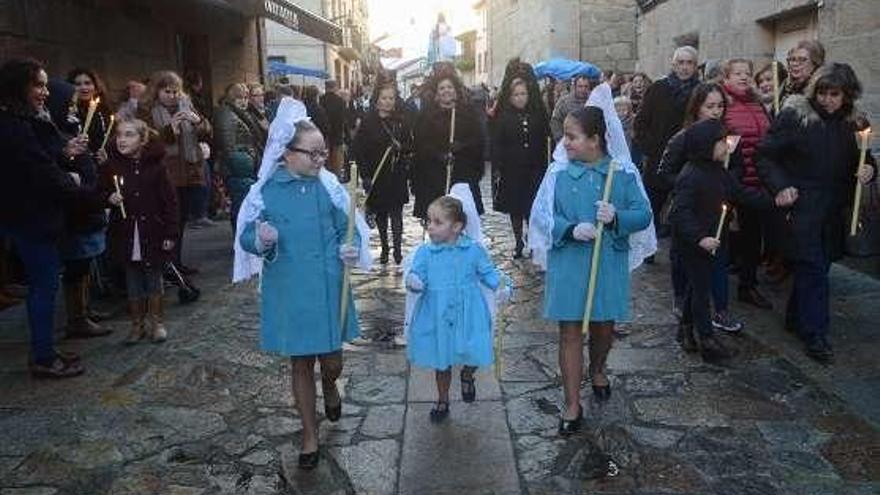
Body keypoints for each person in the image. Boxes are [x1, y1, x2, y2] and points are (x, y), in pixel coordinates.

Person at [234, 98, 371, 470]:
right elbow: (246, 235)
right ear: (287, 154)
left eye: (323, 152)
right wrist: (260, 238)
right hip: (290, 289)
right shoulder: (265, 191)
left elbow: (350, 227)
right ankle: (309, 436)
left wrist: (350, 248)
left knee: (331, 361)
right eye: (313, 153)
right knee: (299, 364)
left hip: (328, 286)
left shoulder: (327, 187)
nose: (320, 159)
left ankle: (330, 383)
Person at [530, 89, 653, 435]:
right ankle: (571, 403)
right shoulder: (557, 174)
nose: (564, 143)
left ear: (595, 140)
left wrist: (616, 218)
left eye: (572, 137)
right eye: (565, 136)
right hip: (569, 262)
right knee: (569, 331)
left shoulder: (621, 173)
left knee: (602, 327)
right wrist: (569, 228)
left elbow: (643, 214)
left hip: (606, 264)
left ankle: (598, 367)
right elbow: (541, 216)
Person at [756, 63, 875, 364]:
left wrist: (869, 170)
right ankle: (816, 333)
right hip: (804, 205)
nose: (827, 100)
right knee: (812, 267)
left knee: (819, 267)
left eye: (834, 94)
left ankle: (796, 317)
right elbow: (766, 155)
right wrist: (781, 186)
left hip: (836, 208)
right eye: (822, 93)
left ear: (847, 95)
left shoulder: (854, 122)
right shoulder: (795, 117)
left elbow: (866, 157)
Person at [0, 58, 88, 378]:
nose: (44, 91)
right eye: (38, 85)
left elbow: (41, 157)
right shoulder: (13, 125)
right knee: (44, 284)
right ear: (18, 86)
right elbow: (37, 170)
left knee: (45, 283)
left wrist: (64, 153)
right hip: (30, 217)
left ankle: (45, 348)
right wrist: (74, 182)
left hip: (33, 215)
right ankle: (43, 356)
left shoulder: (22, 120)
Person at [670, 119, 772, 362]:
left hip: (713, 240)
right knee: (702, 291)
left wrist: (773, 201)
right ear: (705, 145)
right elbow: (680, 213)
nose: (727, 147)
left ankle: (685, 330)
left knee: (698, 286)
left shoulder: (718, 171)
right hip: (694, 244)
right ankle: (706, 339)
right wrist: (700, 237)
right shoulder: (690, 175)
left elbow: (739, 193)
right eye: (721, 142)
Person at [405, 194, 509, 422]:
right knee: (441, 361)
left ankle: (467, 374)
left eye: (437, 222)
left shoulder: (473, 250)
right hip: (437, 313)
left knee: (474, 350)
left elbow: (488, 272)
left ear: (457, 226)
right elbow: (416, 274)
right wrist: (414, 281)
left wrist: (500, 285)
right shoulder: (425, 252)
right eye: (428, 221)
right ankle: (442, 400)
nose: (430, 227)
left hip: (469, 312)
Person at [655, 83, 744, 332]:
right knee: (686, 259)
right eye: (710, 106)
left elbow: (738, 167)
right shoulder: (684, 138)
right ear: (697, 108)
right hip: (691, 211)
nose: (716, 111)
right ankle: (683, 300)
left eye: (720, 106)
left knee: (719, 257)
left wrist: (727, 182)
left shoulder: (727, 138)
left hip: (719, 211)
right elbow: (664, 173)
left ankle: (721, 309)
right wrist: (692, 184)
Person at [101, 118, 178, 344]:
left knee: (153, 276)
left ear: (142, 140)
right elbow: (99, 191)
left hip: (152, 231)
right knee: (132, 279)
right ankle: (137, 324)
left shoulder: (156, 168)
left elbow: (170, 202)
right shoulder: (111, 166)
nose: (122, 139)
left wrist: (170, 233)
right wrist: (109, 198)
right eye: (119, 135)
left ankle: (157, 322)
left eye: (129, 135)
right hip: (125, 233)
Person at [45, 79, 110, 339]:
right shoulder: (54, 135)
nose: (74, 109)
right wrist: (71, 157)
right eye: (69, 104)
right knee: (76, 264)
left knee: (84, 263)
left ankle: (84, 309)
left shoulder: (71, 129)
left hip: (86, 204)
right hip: (75, 210)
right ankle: (77, 317)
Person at [140, 70, 210, 275]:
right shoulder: (147, 111)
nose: (172, 96)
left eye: (175, 91)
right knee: (167, 222)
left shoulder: (187, 105)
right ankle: (165, 265)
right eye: (167, 92)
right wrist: (171, 129)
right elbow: (147, 142)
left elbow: (207, 131)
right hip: (164, 173)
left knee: (180, 221)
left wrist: (197, 121)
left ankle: (176, 263)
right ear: (157, 92)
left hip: (187, 172)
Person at [721, 58, 773, 310]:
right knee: (722, 233)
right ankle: (715, 286)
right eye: (737, 73)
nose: (743, 77)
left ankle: (748, 285)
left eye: (747, 73)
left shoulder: (758, 103)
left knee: (753, 236)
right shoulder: (723, 104)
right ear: (726, 78)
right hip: (731, 180)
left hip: (757, 181)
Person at [634, 45, 700, 242]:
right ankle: (648, 245)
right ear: (673, 64)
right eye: (681, 62)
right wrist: (651, 149)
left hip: (688, 159)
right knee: (653, 204)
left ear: (696, 66)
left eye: (689, 63)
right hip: (659, 159)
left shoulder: (700, 91)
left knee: (685, 206)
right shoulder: (658, 88)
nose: (685, 67)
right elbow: (641, 123)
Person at [491, 58, 551, 259]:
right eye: (516, 94)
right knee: (515, 209)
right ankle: (518, 241)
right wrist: (499, 165)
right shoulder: (504, 117)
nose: (520, 98)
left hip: (534, 169)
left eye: (523, 94)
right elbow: (497, 143)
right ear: (509, 97)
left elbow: (546, 140)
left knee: (532, 208)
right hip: (513, 170)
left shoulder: (537, 115)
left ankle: (533, 239)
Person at [412, 63, 486, 219]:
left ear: (456, 91)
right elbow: (421, 144)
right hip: (434, 176)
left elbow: (478, 140)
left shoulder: (467, 114)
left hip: (462, 173)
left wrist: (461, 146)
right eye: (442, 88)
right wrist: (439, 155)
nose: (446, 91)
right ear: (437, 93)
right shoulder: (427, 116)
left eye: (450, 87)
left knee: (460, 217)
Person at [353, 81, 412, 265]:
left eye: (391, 98)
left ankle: (398, 250)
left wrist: (401, 147)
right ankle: (385, 247)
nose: (388, 102)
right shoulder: (368, 121)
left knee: (396, 213)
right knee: (381, 214)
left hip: (396, 174)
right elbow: (359, 150)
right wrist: (365, 176)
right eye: (384, 98)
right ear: (377, 100)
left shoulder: (401, 121)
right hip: (376, 174)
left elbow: (410, 145)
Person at [213, 83, 257, 231]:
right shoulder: (226, 114)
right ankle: (240, 242)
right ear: (231, 98)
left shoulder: (236, 112)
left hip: (243, 166)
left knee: (244, 206)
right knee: (240, 206)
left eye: (245, 97)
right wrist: (247, 160)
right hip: (238, 168)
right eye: (240, 98)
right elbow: (228, 146)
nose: (244, 101)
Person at [66, 67, 112, 153]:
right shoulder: (67, 111)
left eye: (87, 83)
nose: (83, 88)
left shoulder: (103, 110)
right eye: (78, 84)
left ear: (95, 86)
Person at [781, 40, 825, 105]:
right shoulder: (785, 87)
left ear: (815, 64)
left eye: (802, 60)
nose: (795, 64)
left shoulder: (822, 89)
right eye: (792, 59)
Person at [549, 75, 591, 141]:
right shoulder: (564, 102)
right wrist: (561, 139)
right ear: (574, 87)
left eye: (586, 86)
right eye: (580, 86)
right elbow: (555, 121)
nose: (583, 89)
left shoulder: (594, 101)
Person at [321, 80, 346, 177]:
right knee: (337, 158)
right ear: (335, 87)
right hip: (337, 132)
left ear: (326, 88)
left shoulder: (321, 99)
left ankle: (326, 174)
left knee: (326, 156)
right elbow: (342, 119)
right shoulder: (340, 101)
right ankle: (337, 175)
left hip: (325, 133)